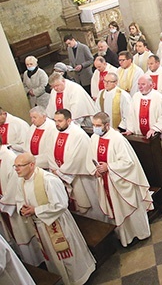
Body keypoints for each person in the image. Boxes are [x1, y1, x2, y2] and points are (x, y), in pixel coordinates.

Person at [15, 152, 96, 285]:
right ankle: (63, 280)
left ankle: (80, 279)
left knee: (69, 256)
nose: (17, 169)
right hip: (40, 226)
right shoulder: (22, 181)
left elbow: (61, 204)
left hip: (57, 224)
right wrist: (22, 209)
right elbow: (19, 199)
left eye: (19, 166)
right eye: (15, 166)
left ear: (31, 165)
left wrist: (36, 210)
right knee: (53, 258)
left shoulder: (48, 180)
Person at [90, 113, 152, 247]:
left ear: (107, 125)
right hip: (107, 182)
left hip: (121, 181)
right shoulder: (94, 138)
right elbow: (91, 158)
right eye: (94, 125)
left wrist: (109, 167)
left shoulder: (117, 139)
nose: (95, 128)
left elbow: (128, 162)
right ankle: (124, 238)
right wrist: (96, 170)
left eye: (98, 126)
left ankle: (140, 233)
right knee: (116, 209)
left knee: (129, 209)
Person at [49, 109, 105, 222]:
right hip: (63, 174)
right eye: (55, 121)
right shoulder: (54, 132)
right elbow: (49, 151)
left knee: (92, 202)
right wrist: (54, 167)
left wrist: (61, 171)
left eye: (60, 121)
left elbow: (77, 158)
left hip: (81, 177)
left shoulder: (78, 134)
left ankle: (100, 224)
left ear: (69, 120)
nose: (57, 124)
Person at [124, 75, 162, 176]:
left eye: (143, 84)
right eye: (139, 84)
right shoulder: (136, 97)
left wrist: (155, 128)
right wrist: (130, 129)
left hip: (159, 135)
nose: (140, 87)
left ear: (151, 85)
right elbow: (131, 114)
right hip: (142, 136)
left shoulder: (159, 98)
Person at [0, 139, 44, 267]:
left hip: (13, 206)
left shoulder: (9, 159)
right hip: (4, 205)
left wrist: (3, 202)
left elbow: (15, 185)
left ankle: (35, 265)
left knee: (23, 235)